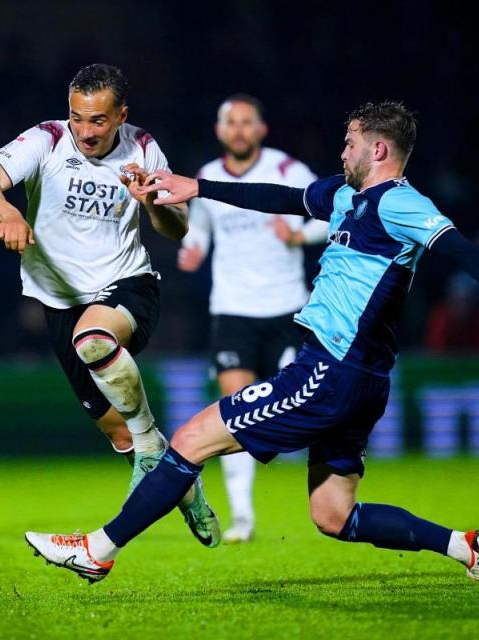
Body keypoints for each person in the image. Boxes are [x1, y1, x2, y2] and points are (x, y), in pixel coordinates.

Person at [25, 101, 479, 590]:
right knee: (333, 515)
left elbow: (462, 249)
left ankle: (98, 549)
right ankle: (468, 549)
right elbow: (278, 198)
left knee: (189, 438)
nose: (342, 152)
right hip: (361, 378)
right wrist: (199, 188)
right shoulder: (348, 196)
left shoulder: (401, 203)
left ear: (379, 150)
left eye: (350, 143)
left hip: (332, 369)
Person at [0, 63, 220, 546]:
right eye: (77, 117)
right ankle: (187, 490)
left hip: (126, 284)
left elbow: (177, 227)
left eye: (98, 120)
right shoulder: (45, 138)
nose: (85, 130)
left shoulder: (143, 148)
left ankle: (148, 440)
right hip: (59, 301)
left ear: (121, 115)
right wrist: (9, 212)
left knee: (95, 340)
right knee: (118, 433)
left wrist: (150, 202)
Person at [179, 94, 328, 543]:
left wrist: (299, 233)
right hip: (233, 308)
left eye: (247, 122)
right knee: (234, 407)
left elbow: (331, 213)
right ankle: (242, 515)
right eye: (231, 122)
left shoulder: (287, 171)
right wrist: (194, 247)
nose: (239, 129)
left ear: (262, 129)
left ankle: (331, 498)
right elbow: (202, 228)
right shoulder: (206, 177)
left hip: (287, 307)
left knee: (306, 405)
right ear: (220, 130)